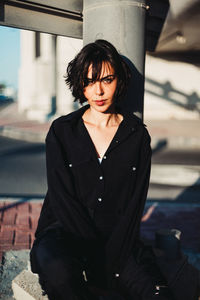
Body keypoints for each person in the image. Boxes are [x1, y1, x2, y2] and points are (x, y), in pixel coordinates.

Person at [30, 39, 170, 300]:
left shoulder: (137, 136)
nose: (99, 91)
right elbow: (62, 200)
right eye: (90, 81)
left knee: (156, 291)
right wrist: (95, 256)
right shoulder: (62, 132)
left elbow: (133, 207)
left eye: (107, 79)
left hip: (117, 240)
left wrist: (113, 258)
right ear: (80, 83)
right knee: (60, 275)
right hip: (64, 233)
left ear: (119, 80)